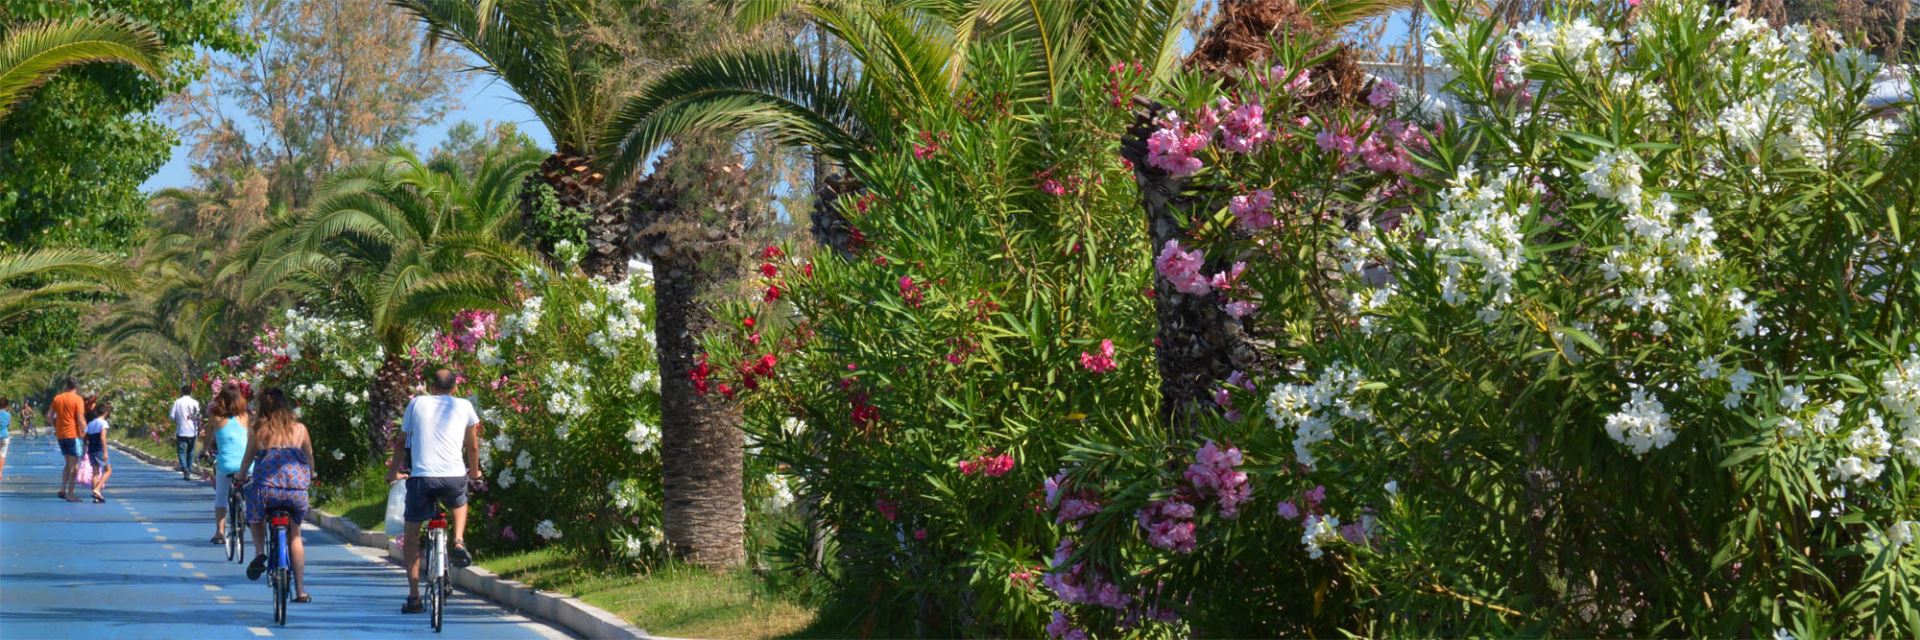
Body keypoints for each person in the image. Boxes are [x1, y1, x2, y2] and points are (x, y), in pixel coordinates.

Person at [390, 368, 481, 614]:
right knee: (460, 501)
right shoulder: (463, 406)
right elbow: (472, 445)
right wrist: (474, 472)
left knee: (411, 536)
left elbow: (401, 441)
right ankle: (459, 540)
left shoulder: (416, 403)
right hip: (453, 476)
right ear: (454, 388)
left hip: (422, 478)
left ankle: (414, 597)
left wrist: (392, 473)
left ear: (431, 387)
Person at [236, 388, 313, 603]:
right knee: (295, 536)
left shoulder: (258, 430)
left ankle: (260, 551)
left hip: (266, 492)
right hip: (295, 494)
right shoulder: (300, 429)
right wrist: (309, 478)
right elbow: (310, 459)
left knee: (256, 516)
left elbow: (247, 461)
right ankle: (300, 591)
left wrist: (240, 476)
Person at [206, 386, 249, 545]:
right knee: (249, 489)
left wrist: (204, 451)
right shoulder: (245, 417)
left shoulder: (215, 417)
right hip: (246, 465)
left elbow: (208, 439)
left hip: (226, 465)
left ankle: (220, 532)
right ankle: (247, 513)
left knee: (221, 496)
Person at [50, 379, 86, 502]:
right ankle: (70, 494)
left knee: (68, 463)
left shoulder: (57, 398)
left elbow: (49, 416)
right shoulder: (78, 399)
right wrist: (86, 431)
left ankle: (62, 489)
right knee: (75, 466)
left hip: (61, 436)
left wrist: (56, 427)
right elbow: (80, 418)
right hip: (73, 435)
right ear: (76, 387)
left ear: (67, 386)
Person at [83, 399, 114, 503]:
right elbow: (103, 437)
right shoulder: (104, 423)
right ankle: (97, 489)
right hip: (99, 449)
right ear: (106, 413)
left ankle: (96, 497)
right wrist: (105, 451)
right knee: (108, 470)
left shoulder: (91, 423)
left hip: (91, 449)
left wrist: (87, 446)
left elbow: (85, 437)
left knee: (95, 472)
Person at [169, 384, 202, 481]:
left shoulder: (177, 402)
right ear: (191, 392)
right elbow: (198, 416)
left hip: (181, 431)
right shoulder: (195, 403)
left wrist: (177, 421)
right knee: (190, 452)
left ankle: (185, 468)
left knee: (181, 452)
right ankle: (189, 469)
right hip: (193, 431)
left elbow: (172, 415)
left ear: (182, 392)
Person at [0, 398, 12, 481]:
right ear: (6, 406)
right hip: (5, 436)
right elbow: (8, 425)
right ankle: (0, 472)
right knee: (2, 455)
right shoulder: (8, 415)